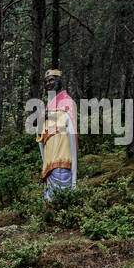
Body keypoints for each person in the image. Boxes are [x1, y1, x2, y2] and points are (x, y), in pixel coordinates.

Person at [38, 69, 78, 201]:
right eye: (46, 82)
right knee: (50, 193)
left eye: (52, 80)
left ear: (58, 81)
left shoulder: (67, 101)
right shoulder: (49, 104)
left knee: (61, 186)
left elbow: (68, 121)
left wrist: (50, 115)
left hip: (62, 153)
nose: (49, 84)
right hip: (50, 154)